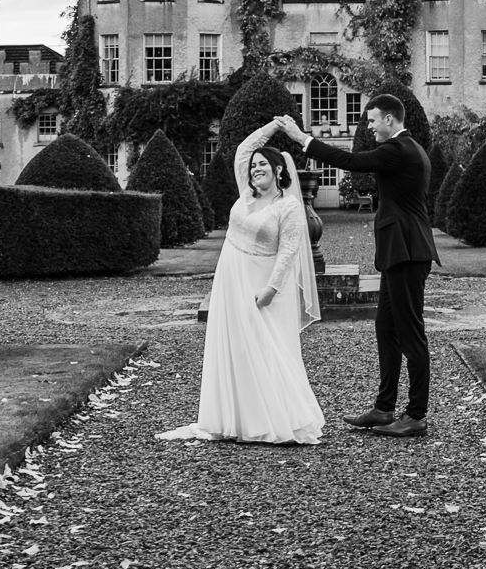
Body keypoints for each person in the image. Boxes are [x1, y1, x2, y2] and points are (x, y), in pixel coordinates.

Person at [275, 96, 437, 437]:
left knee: (410, 333)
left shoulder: (399, 149)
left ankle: (416, 415)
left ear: (390, 120)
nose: (369, 126)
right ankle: (384, 408)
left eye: (373, 120)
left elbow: (349, 160)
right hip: (401, 251)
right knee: (386, 328)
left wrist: (301, 138)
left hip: (408, 252)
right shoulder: (408, 148)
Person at [157, 122, 324, 444]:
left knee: (266, 349)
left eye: (263, 164)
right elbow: (243, 151)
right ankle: (231, 419)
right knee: (233, 349)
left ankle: (275, 419)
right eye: (253, 167)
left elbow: (288, 251)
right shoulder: (245, 195)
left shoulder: (287, 206)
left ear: (278, 169)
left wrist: (271, 289)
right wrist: (272, 127)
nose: (255, 169)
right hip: (229, 283)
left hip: (262, 285)